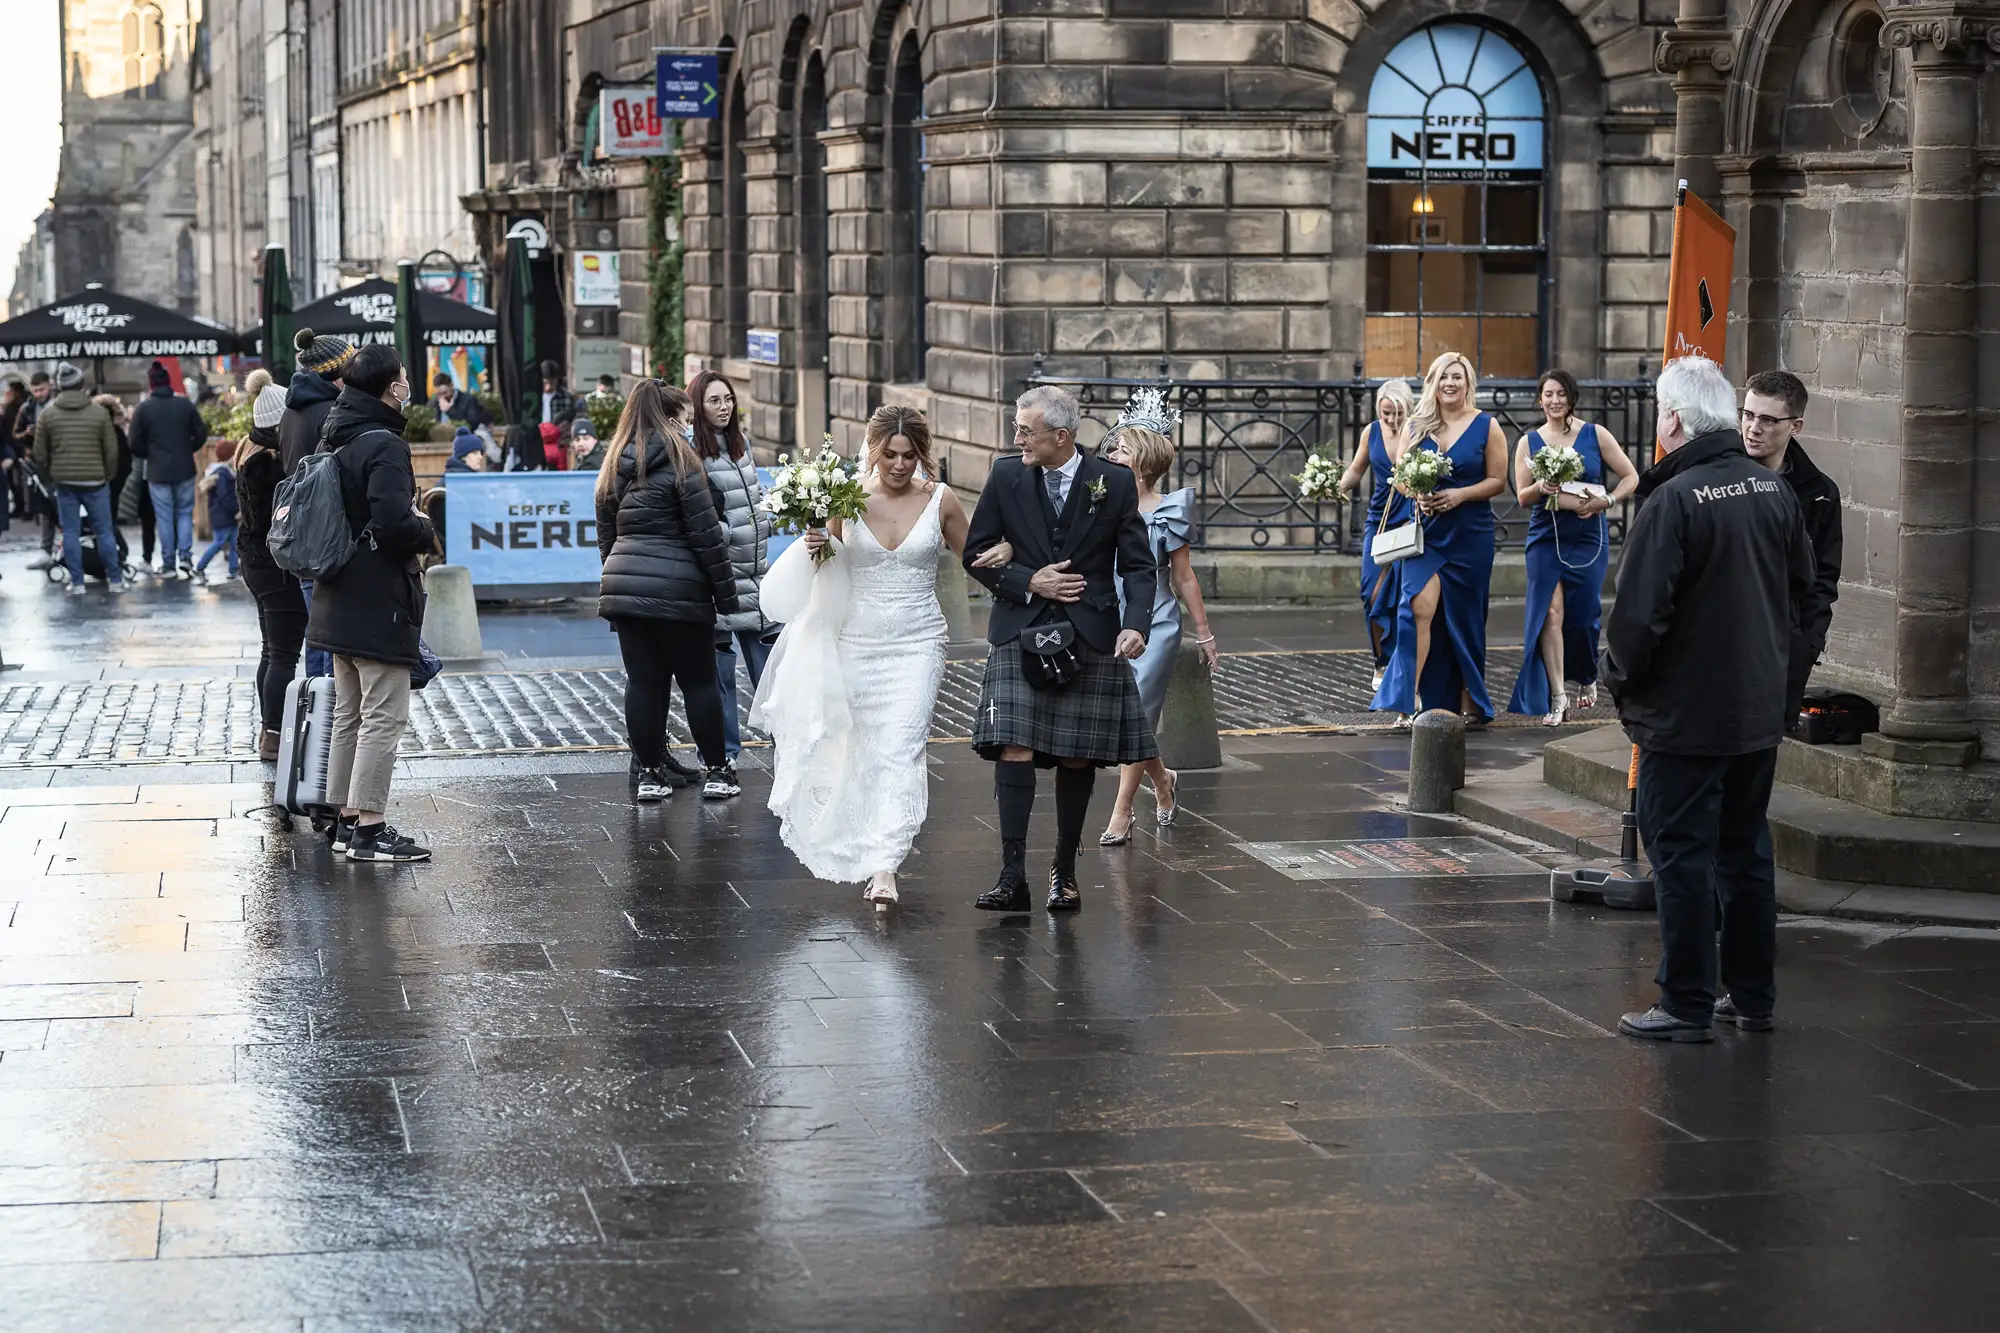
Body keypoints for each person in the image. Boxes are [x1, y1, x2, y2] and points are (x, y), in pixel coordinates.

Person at [1601, 356, 1814, 1043]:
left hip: (1686, 718)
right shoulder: (1771, 489)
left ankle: (1687, 1001)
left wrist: (1620, 682)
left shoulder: (1675, 499)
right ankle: (1752, 995)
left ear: (1672, 420)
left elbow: (1636, 621)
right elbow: (1801, 597)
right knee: (1744, 852)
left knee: (1683, 854)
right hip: (1754, 712)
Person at [762, 405, 975, 906]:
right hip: (856, 640)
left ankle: (885, 864)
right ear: (874, 451)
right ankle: (856, 838)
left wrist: (1015, 563)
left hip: (919, 642)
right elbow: (827, 569)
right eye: (890, 455)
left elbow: (977, 557)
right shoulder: (847, 499)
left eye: (910, 455)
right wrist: (815, 542)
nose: (900, 465)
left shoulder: (941, 499)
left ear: (922, 453)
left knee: (901, 746)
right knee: (859, 748)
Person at [962, 384, 1157, 913]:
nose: (1017, 437)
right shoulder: (1006, 475)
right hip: (1019, 626)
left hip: (1090, 632)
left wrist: (1136, 623)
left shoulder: (1112, 483)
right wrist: (1030, 581)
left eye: (1027, 430)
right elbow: (975, 552)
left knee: (1076, 755)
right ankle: (1011, 876)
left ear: (1062, 436)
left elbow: (1138, 564)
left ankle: (1064, 873)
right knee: (1013, 746)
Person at [306, 345, 435, 865]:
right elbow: (392, 522)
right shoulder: (383, 443)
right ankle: (371, 829)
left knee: (350, 714)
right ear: (390, 388)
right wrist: (425, 526)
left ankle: (343, 819)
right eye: (404, 379)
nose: (408, 386)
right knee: (383, 715)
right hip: (378, 596)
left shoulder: (336, 432)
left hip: (338, 592)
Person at [594, 380, 740, 803]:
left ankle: (650, 775)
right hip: (681, 590)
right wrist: (725, 596)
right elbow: (706, 535)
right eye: (687, 419)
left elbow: (607, 539)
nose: (690, 427)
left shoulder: (612, 463)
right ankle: (717, 771)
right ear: (671, 417)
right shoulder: (682, 461)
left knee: (643, 683)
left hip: (625, 587)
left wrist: (619, 584)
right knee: (699, 682)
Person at [1095, 393, 1219, 846]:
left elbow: (1184, 579)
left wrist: (1204, 635)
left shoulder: (1168, 510)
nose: (1110, 455)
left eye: (1121, 449)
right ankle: (1163, 780)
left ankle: (1122, 810)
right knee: (1130, 719)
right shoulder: (1103, 503)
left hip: (1158, 623)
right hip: (1111, 617)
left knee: (1137, 715)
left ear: (1143, 461)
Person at [1371, 351, 1507, 724]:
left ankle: (1468, 694)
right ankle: (1409, 698)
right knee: (1416, 607)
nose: (1450, 383)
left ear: (1468, 384)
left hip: (1471, 534)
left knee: (1465, 617)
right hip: (1428, 534)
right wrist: (1417, 493)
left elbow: (1498, 480)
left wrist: (1460, 494)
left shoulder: (1486, 425)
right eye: (1444, 376)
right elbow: (1398, 477)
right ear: (1433, 381)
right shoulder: (1416, 426)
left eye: (1458, 377)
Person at [1506, 369, 1640, 725]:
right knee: (1551, 615)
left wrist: (1607, 501)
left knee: (1582, 617)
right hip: (1545, 537)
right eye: (1548, 394)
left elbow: (1632, 477)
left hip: (1587, 535)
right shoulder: (1528, 442)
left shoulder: (1595, 434)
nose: (1554, 401)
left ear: (1571, 398)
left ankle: (1585, 674)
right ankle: (1557, 696)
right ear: (1540, 399)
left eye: (1561, 394)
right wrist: (1541, 488)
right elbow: (1521, 496)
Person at [1741, 370, 1843, 717]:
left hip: (1783, 650)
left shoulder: (1820, 494)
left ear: (1795, 427)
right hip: (1720, 646)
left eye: (1768, 420)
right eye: (1748, 414)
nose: (1753, 428)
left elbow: (1824, 578)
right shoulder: (1718, 478)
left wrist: (1806, 645)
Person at [690, 370, 773, 784]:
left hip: (758, 580)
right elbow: (701, 517)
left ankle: (787, 742)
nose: (724, 407)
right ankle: (723, 756)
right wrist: (729, 533)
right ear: (698, 407)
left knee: (774, 670)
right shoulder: (691, 453)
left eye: (728, 399)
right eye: (714, 401)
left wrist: (766, 519)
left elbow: (754, 502)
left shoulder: (743, 448)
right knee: (720, 678)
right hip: (719, 585)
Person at [236, 386, 309, 760]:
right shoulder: (273, 461)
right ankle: (274, 735)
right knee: (282, 655)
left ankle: (269, 729)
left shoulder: (248, 452)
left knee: (272, 652)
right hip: (277, 568)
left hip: (255, 563)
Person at [281, 329, 356, 676]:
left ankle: (311, 711)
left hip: (302, 533)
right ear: (336, 373)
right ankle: (328, 716)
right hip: (328, 533)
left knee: (317, 632)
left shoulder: (291, 412)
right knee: (332, 636)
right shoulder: (332, 412)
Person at [1336, 378, 1414, 691]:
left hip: (1410, 519)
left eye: (1398, 414)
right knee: (1371, 592)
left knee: (1401, 596)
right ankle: (1380, 660)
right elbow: (1357, 468)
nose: (1393, 421)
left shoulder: (1419, 431)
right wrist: (1336, 484)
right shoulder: (1371, 432)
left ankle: (1399, 661)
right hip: (1379, 520)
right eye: (1386, 414)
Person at [33, 362, 126, 596]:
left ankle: (77, 582)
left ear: (59, 387)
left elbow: (39, 453)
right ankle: (115, 579)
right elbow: (111, 449)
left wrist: (51, 475)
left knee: (71, 532)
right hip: (96, 480)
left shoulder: (48, 415)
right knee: (104, 531)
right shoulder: (99, 413)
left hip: (64, 482)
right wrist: (108, 474)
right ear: (82, 385)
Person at [127, 359, 210, 579]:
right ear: (168, 382)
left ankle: (168, 564)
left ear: (151, 384)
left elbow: (133, 442)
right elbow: (201, 433)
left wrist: (150, 453)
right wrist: (188, 448)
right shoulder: (184, 405)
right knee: (184, 513)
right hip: (184, 466)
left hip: (157, 470)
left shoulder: (144, 409)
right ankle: (185, 557)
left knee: (164, 517)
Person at [16, 373, 56, 569]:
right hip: (38, 463)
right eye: (35, 390)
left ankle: (68, 547)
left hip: (58, 461)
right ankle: (47, 549)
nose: (39, 394)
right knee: (45, 505)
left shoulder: (58, 404)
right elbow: (15, 434)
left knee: (62, 505)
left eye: (42, 389)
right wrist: (26, 434)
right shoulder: (28, 408)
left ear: (50, 386)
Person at [194, 439, 241, 582]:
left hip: (222, 516)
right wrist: (236, 510)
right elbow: (226, 497)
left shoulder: (219, 472)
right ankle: (200, 567)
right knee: (219, 543)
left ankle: (233, 569)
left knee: (234, 543)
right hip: (224, 516)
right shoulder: (223, 474)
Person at [539, 360, 576, 428]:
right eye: (546, 382)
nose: (549, 386)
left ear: (557, 380)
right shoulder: (534, 397)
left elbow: (572, 418)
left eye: (552, 381)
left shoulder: (566, 396)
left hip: (559, 435)